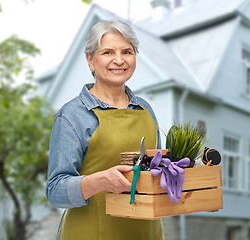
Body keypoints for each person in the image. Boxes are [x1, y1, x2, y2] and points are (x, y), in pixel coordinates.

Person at [46, 20, 164, 240]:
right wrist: (99, 181)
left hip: (146, 233)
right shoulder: (72, 115)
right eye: (108, 52)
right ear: (90, 60)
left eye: (127, 51)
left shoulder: (145, 110)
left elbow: (156, 171)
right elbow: (55, 191)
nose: (119, 60)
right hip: (90, 232)